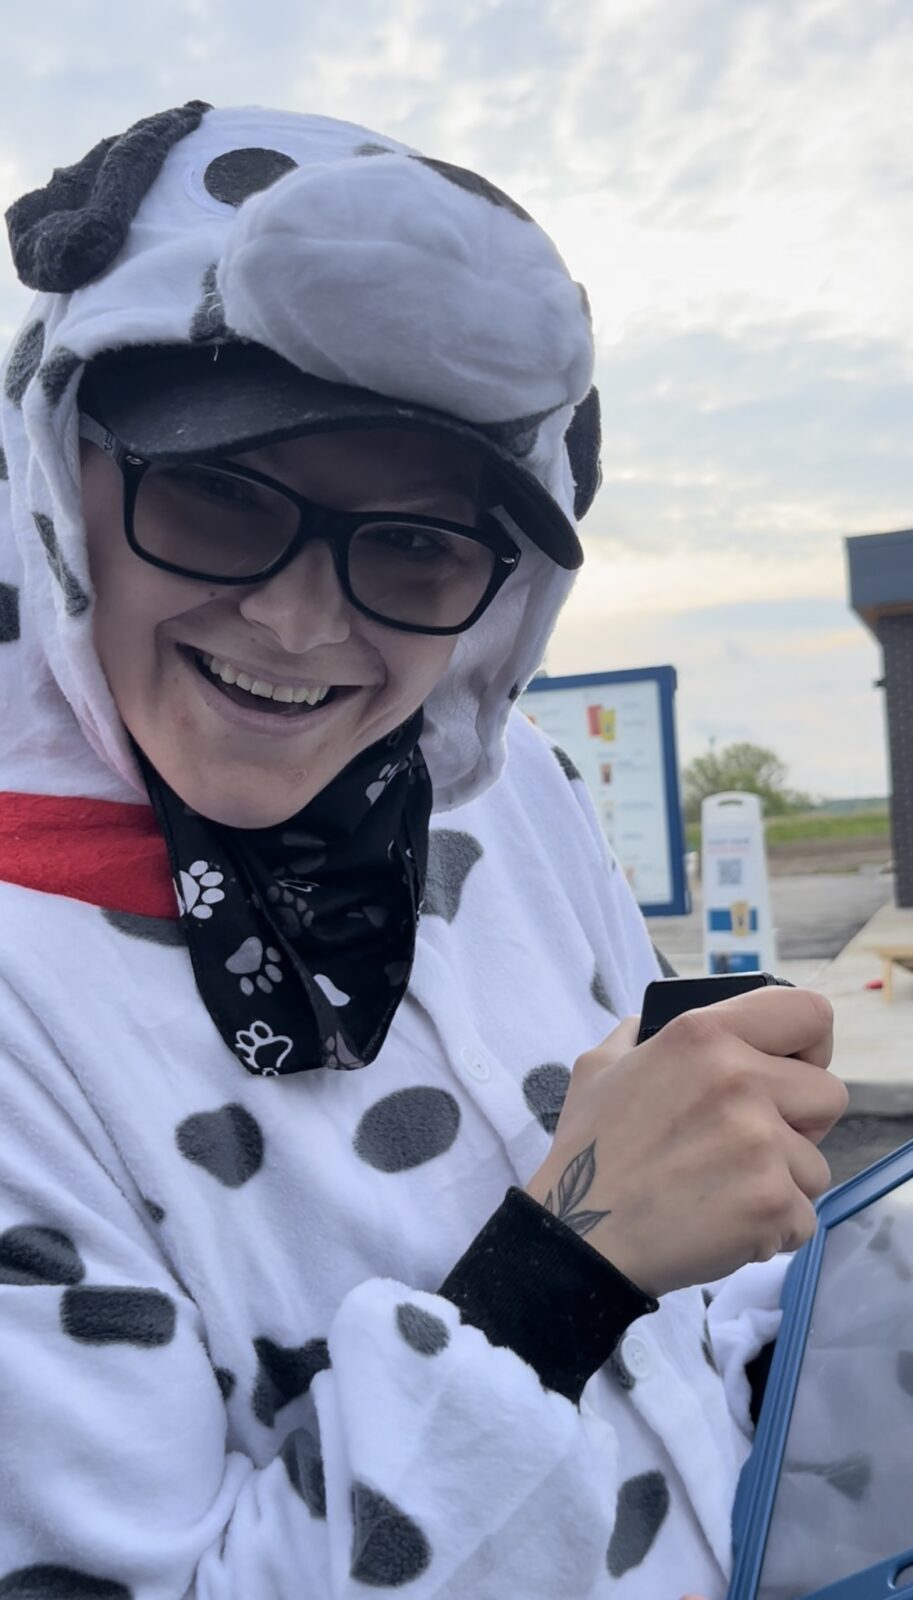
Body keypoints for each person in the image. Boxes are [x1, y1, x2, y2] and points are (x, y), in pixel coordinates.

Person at [0, 102, 845, 1598]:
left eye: (414, 547)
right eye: (217, 491)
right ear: (61, 475)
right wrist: (560, 1274)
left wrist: (831, 1326)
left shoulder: (499, 789)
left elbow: (695, 1278)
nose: (299, 624)